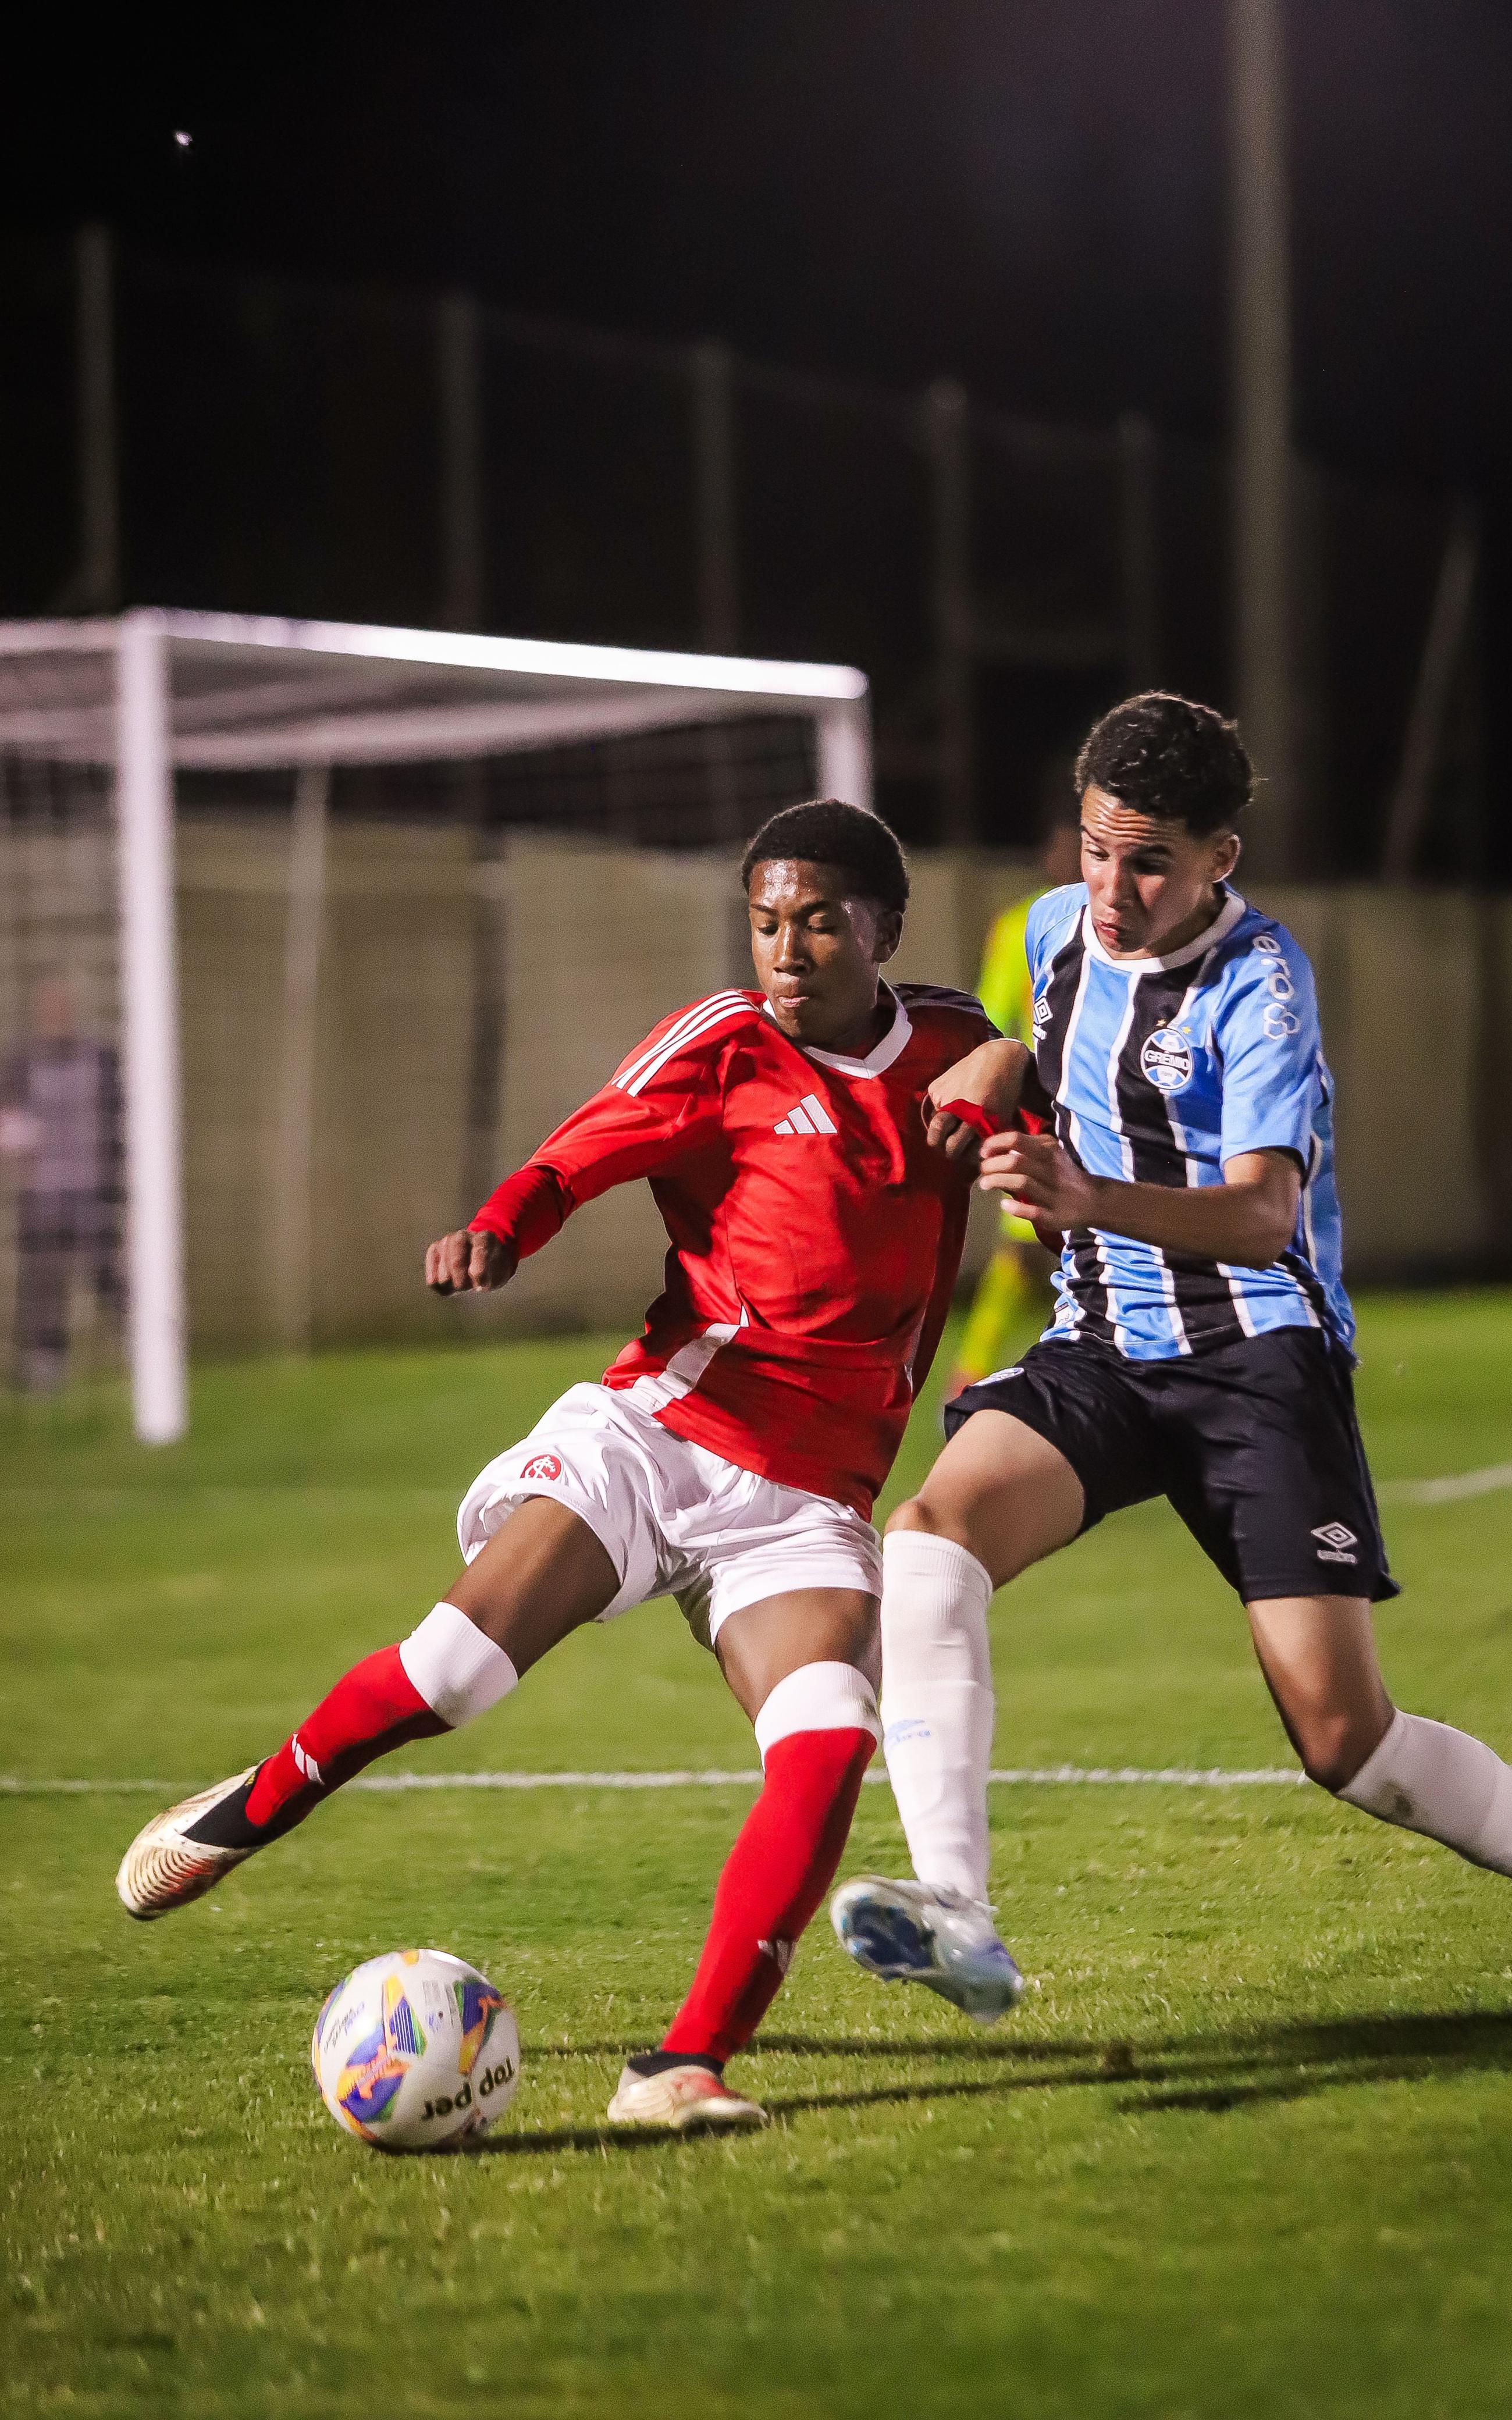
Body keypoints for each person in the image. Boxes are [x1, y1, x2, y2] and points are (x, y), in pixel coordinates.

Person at [117, 799, 1026, 2131]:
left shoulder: (949, 1044)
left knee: (831, 1733)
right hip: (656, 1436)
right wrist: (500, 1227)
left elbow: (1058, 1082)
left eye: (821, 922)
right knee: (453, 1674)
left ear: (886, 927)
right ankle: (250, 1806)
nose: (787, 950)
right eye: (766, 922)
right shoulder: (720, 1046)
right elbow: (572, 1156)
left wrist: (1009, 1060)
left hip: (806, 1502)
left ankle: (680, 2069)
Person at [831, 692, 1512, 2013]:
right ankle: (958, 1909)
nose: (1111, 888)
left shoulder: (1261, 987)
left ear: (1218, 859)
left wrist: (1085, 1193)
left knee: (1345, 1741)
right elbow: (1052, 1044)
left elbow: (1260, 1217)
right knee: (927, 1540)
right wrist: (999, 1066)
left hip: (1256, 1359)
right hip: (1101, 1345)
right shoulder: (1052, 930)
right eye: (1095, 849)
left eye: (1148, 863)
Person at [942, 795, 1082, 1401]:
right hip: (1039, 1108)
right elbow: (992, 1014)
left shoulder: (1124, 925)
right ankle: (971, 1369)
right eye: (1066, 847)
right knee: (1026, 1246)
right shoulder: (1021, 925)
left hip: (1106, 1108)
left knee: (1076, 1245)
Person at [0, 975, 123, 1393]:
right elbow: (9, 1120)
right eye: (47, 1006)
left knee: (108, 1274)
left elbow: (120, 1118)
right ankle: (45, 1366)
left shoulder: (101, 1059)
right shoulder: (22, 1062)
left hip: (94, 1189)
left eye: (61, 1005)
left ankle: (143, 1349)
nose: (54, 1014)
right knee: (44, 1282)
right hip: (43, 1193)